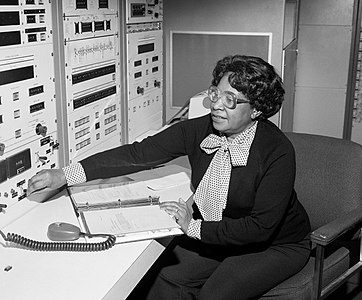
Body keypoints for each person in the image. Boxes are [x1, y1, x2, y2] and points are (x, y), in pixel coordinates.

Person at [27, 55, 311, 299]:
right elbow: (138, 154)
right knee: (165, 277)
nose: (216, 105)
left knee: (215, 294)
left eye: (231, 100)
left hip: (274, 244)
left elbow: (259, 227)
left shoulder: (277, 152)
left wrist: (194, 228)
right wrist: (65, 175)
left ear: (257, 109)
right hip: (220, 230)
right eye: (216, 92)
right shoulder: (199, 129)